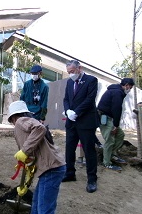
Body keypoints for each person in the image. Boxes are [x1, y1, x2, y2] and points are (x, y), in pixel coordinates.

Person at [8, 100, 66, 213]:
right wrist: (26, 184)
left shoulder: (21, 121)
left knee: (44, 209)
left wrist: (24, 150)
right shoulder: (28, 125)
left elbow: (40, 128)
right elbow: (31, 160)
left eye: (11, 121)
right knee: (36, 205)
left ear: (13, 117)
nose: (12, 123)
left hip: (51, 169)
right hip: (51, 169)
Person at [62, 59, 99, 193]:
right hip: (71, 122)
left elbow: (90, 99)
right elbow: (66, 99)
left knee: (89, 150)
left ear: (79, 68)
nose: (71, 74)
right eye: (68, 72)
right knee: (69, 149)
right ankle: (70, 173)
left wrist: (76, 112)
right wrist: (67, 111)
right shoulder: (69, 81)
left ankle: (92, 179)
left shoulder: (91, 80)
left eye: (72, 71)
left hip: (86, 121)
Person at [97, 77, 135, 172]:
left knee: (120, 135)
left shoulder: (117, 91)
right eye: (130, 87)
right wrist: (116, 125)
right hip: (104, 118)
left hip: (108, 117)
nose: (129, 90)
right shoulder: (117, 93)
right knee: (110, 139)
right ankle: (107, 163)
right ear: (126, 85)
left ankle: (111, 155)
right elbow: (116, 110)